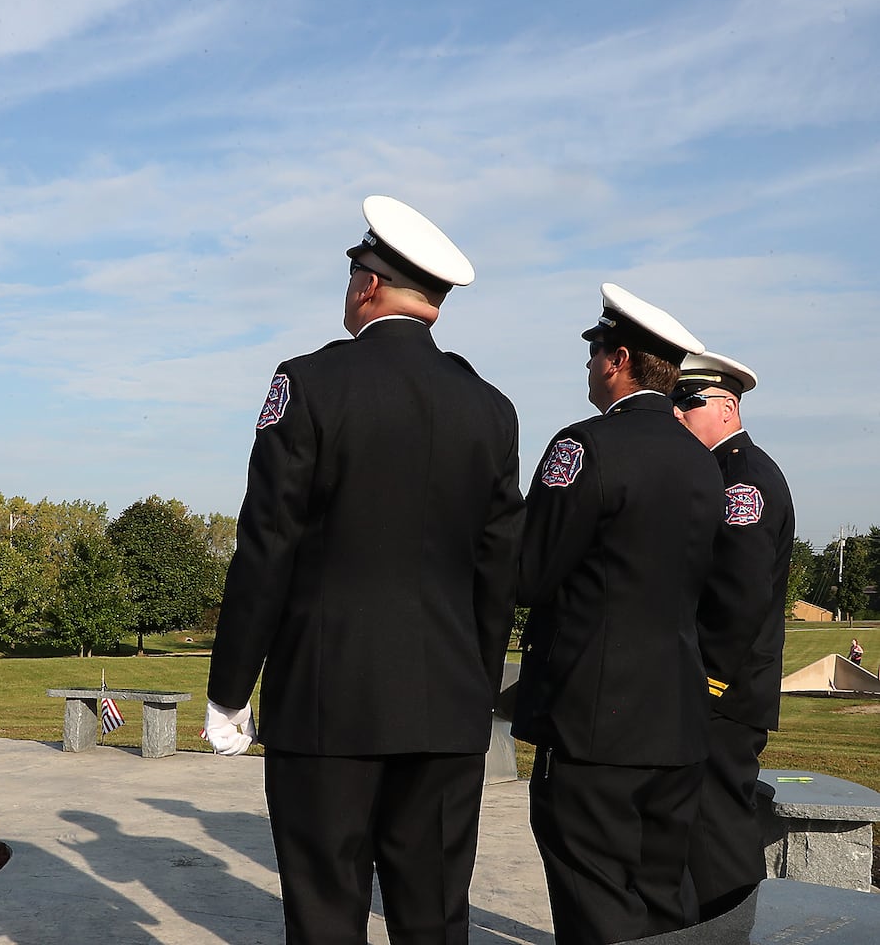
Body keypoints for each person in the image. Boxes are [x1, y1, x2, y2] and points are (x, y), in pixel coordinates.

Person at [206, 195, 525, 944]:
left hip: (329, 699)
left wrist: (229, 688)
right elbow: (497, 565)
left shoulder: (310, 383)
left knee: (325, 912)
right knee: (435, 918)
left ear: (366, 284)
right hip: (446, 704)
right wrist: (474, 683)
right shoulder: (490, 408)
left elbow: (267, 544)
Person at [511, 283, 724, 945]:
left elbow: (530, 572)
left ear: (617, 359)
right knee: (658, 896)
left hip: (595, 719)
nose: (587, 365)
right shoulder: (701, 460)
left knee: (593, 896)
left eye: (593, 351)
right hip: (678, 716)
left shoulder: (585, 446)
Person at [672, 350, 795, 921]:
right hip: (719, 687)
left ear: (727, 406)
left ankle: (736, 931)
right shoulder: (721, 472)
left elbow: (739, 598)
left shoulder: (743, 479)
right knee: (700, 829)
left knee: (717, 830)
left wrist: (709, 681)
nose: (676, 414)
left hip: (726, 690)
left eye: (687, 403)